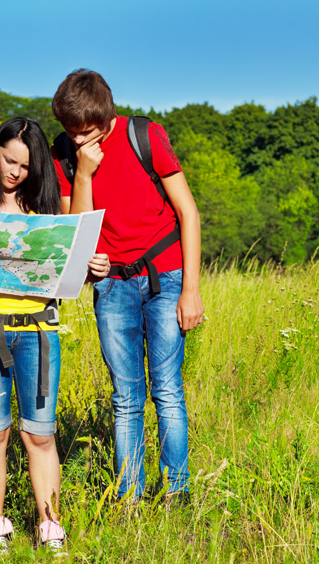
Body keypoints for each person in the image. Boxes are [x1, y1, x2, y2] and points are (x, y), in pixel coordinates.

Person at [0, 118, 110, 557]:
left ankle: (51, 526)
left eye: (25, 166)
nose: (14, 172)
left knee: (41, 435)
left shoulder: (44, 212)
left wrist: (89, 270)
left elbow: (66, 280)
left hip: (38, 333)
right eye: (9, 160)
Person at [51, 69, 204, 504]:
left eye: (87, 133)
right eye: (71, 133)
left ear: (107, 118)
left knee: (167, 389)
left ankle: (177, 493)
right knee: (126, 397)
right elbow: (73, 231)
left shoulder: (146, 136)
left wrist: (190, 290)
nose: (79, 141)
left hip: (166, 276)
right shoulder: (64, 154)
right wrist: (83, 172)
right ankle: (129, 498)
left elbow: (188, 213)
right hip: (112, 286)